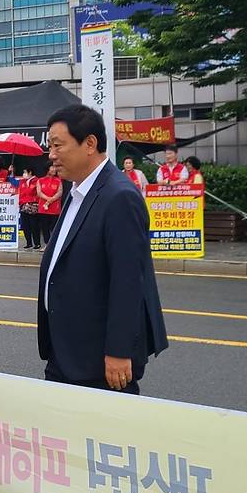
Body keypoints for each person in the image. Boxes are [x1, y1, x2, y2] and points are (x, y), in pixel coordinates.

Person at [38, 104, 168, 394]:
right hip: (66, 350)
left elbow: (128, 281)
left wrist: (119, 351)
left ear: (90, 144)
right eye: (50, 146)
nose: (52, 155)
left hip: (101, 359)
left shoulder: (119, 196)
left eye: (58, 145)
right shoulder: (77, 192)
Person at [35, 162, 63, 250]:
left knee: (54, 227)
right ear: (48, 168)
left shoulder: (58, 180)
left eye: (55, 167)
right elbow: (39, 193)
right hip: (43, 208)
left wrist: (51, 200)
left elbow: (60, 192)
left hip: (55, 208)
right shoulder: (40, 180)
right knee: (44, 228)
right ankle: (47, 244)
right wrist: (47, 199)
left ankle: (54, 245)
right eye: (52, 167)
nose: (54, 169)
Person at [18, 168, 40, 250]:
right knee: (25, 225)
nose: (23, 174)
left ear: (30, 172)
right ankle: (29, 242)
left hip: (33, 206)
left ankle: (37, 243)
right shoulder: (23, 181)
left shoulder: (37, 181)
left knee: (34, 225)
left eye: (25, 172)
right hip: (23, 206)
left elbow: (36, 193)